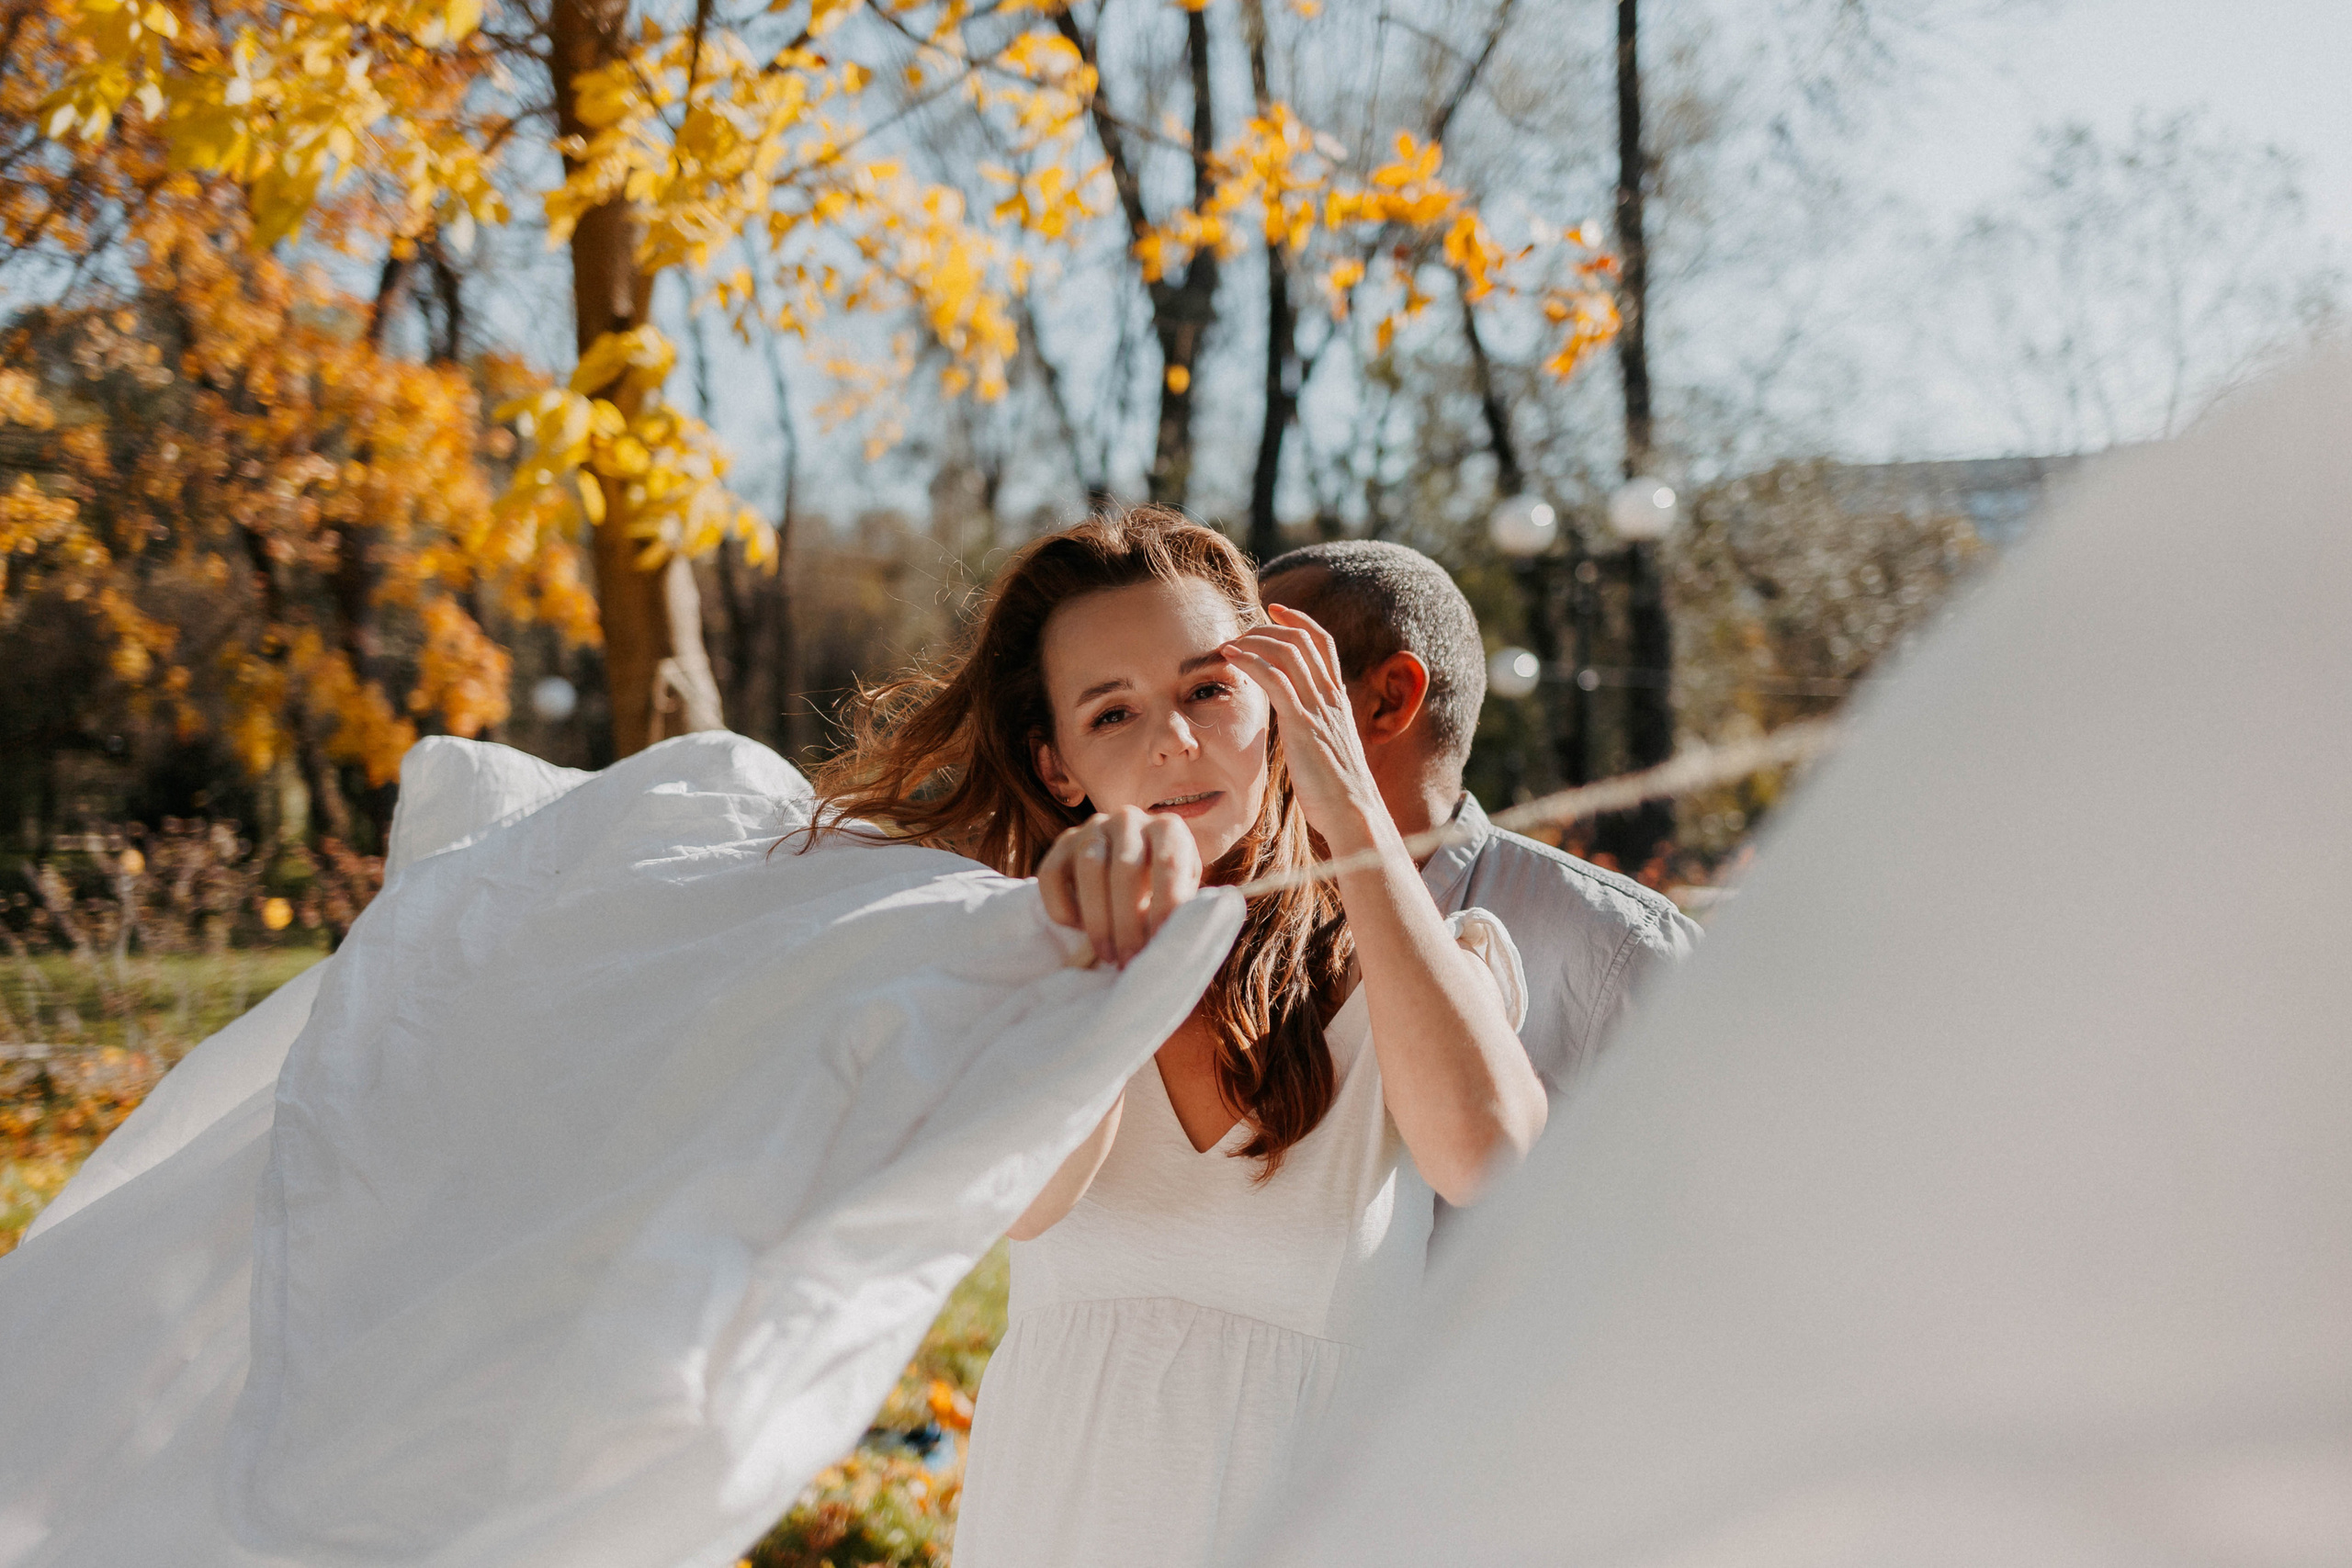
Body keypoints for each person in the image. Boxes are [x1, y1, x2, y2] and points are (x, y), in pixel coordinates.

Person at [808, 507, 1544, 1568]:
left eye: (1209, 688)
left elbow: (1489, 1155)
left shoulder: (1420, 960)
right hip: (1057, 1523)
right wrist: (1097, 967)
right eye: (1112, 714)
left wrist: (1350, 814)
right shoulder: (1021, 965)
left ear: (1284, 703)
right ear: (1057, 766)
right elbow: (1027, 1196)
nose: (1174, 739)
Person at [1259, 540, 1700, 1099]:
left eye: (1265, 677)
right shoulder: (1209, 927)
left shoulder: (1620, 951)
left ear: (1388, 700)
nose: (1225, 720)